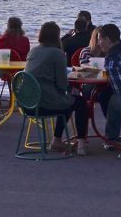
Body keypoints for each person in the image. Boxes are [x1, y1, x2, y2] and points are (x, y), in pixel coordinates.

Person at [26, 22, 90, 156]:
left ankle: (57, 140)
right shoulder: (57, 53)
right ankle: (81, 143)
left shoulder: (34, 51)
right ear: (56, 36)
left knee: (67, 101)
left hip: (28, 103)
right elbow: (62, 85)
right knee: (79, 102)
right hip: (45, 103)